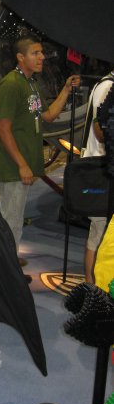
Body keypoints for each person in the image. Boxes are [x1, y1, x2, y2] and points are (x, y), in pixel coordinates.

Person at [0, 33, 80, 266]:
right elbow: (3, 130)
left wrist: (66, 89)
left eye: (41, 53)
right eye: (35, 53)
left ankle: (9, 259)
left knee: (15, 216)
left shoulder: (30, 83)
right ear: (21, 57)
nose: (42, 57)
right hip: (12, 166)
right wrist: (22, 164)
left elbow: (48, 115)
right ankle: (5, 266)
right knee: (10, 217)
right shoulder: (11, 85)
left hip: (23, 163)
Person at [81, 66, 114, 283]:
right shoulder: (107, 86)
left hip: (104, 167)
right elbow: (100, 130)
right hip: (100, 169)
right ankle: (91, 289)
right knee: (99, 232)